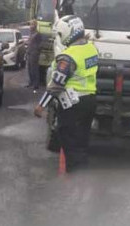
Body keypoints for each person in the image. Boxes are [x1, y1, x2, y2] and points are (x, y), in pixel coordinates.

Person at [34, 15, 98, 172]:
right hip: (90, 101)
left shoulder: (68, 57)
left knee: (70, 143)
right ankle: (82, 176)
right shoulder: (91, 48)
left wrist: (41, 106)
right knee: (81, 142)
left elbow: (56, 85)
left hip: (73, 105)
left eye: (60, 34)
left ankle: (75, 182)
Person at [25, 20, 42, 91]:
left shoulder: (37, 34)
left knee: (34, 69)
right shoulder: (31, 33)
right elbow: (29, 42)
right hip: (29, 52)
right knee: (29, 68)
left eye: (32, 25)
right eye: (30, 25)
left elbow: (40, 44)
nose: (30, 26)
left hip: (34, 53)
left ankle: (36, 84)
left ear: (35, 25)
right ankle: (31, 82)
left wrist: (36, 50)